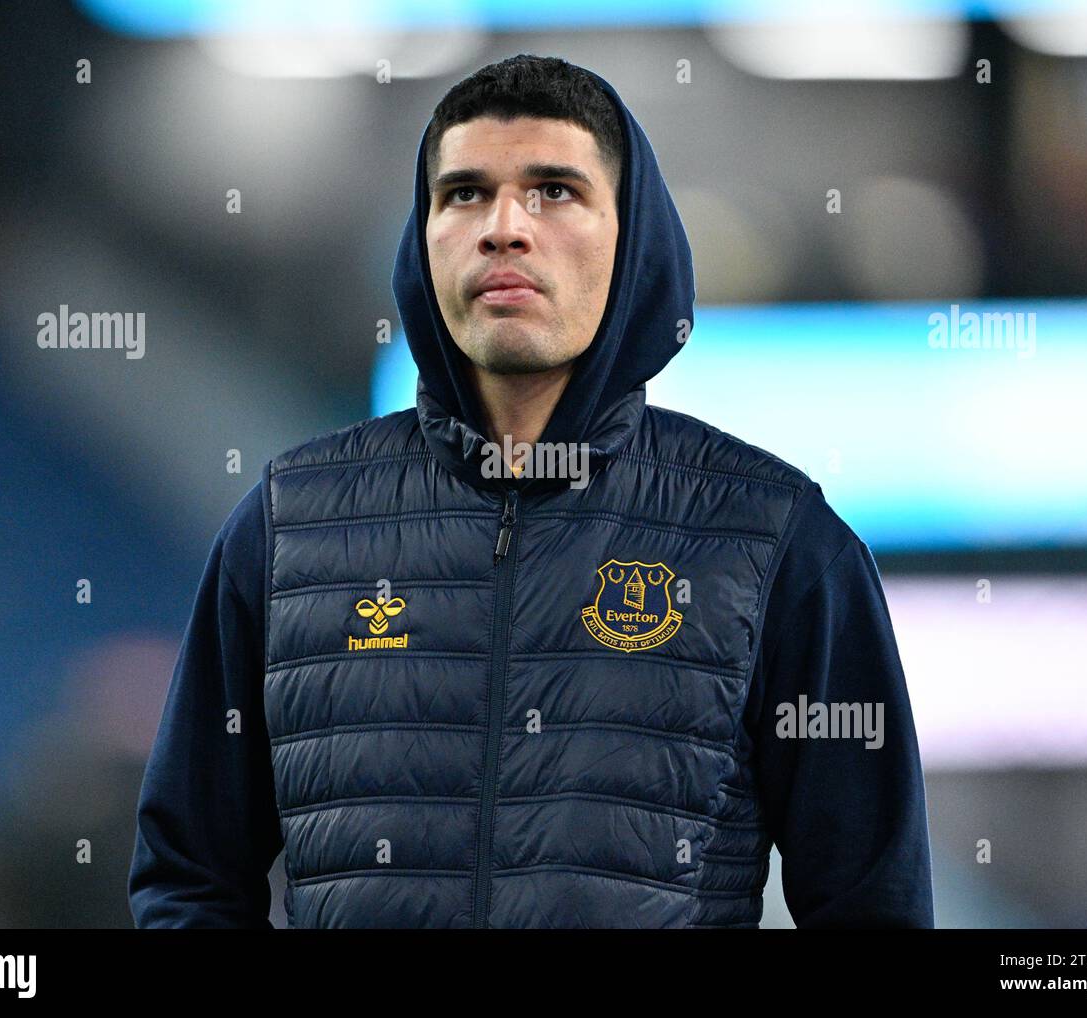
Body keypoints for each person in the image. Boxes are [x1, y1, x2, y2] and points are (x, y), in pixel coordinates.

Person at [128, 54, 934, 929]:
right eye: (465, 193)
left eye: (554, 190)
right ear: (422, 235)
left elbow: (870, 903)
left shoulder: (778, 542)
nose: (504, 227)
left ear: (633, 236)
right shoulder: (290, 528)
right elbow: (188, 878)